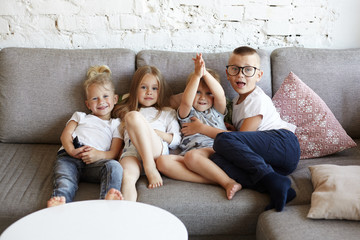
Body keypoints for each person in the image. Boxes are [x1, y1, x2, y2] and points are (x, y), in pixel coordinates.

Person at [182, 46, 300, 211]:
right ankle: (277, 187)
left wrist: (202, 128)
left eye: (248, 70)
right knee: (218, 160)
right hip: (274, 163)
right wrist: (233, 130)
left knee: (222, 141)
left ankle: (274, 181)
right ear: (228, 74)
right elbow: (241, 145)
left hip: (283, 144)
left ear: (259, 75)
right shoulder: (237, 102)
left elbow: (240, 138)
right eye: (235, 69)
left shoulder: (256, 99)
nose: (240, 74)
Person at [47, 65, 124, 207]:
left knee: (115, 167)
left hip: (95, 162)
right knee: (65, 180)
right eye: (95, 99)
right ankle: (59, 202)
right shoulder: (80, 116)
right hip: (69, 157)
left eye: (105, 96)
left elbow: (113, 153)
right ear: (88, 104)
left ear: (115, 99)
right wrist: (71, 151)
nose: (101, 102)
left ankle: (108, 200)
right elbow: (65, 135)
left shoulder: (116, 124)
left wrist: (98, 155)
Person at [112, 65, 181, 201]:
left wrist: (156, 133)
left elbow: (176, 140)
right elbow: (117, 138)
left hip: (155, 152)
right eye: (143, 87)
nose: (149, 92)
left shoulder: (167, 112)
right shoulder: (123, 111)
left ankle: (150, 167)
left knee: (133, 117)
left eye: (154, 88)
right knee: (126, 177)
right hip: (132, 152)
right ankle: (127, 212)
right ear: (134, 90)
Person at [157, 53, 228, 184]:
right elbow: (186, 101)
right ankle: (210, 180)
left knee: (194, 156)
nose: (202, 98)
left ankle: (223, 180)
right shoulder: (188, 113)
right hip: (191, 160)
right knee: (162, 162)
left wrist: (204, 72)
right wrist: (196, 76)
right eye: (198, 92)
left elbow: (220, 95)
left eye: (208, 94)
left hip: (215, 151)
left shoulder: (217, 111)